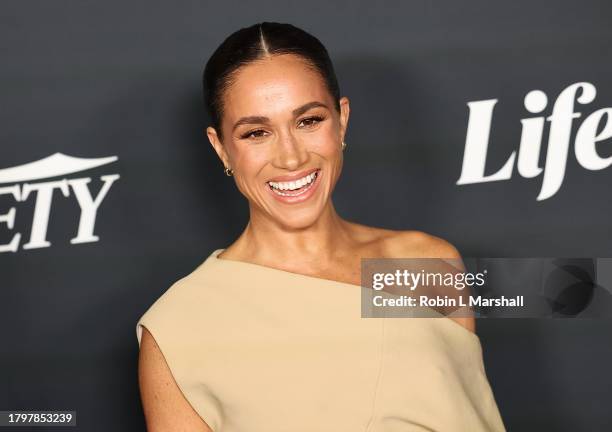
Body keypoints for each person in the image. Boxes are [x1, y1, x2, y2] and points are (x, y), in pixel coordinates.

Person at [136, 21, 506, 432]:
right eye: (256, 133)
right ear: (220, 146)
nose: (291, 158)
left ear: (341, 120)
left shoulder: (426, 263)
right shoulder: (180, 327)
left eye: (308, 121)